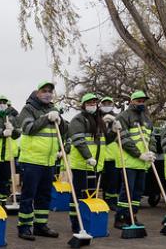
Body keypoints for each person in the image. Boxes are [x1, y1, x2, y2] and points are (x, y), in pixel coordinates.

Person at [15, 81, 64, 241]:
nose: (48, 94)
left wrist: (61, 121)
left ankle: (40, 225)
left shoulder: (53, 109)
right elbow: (28, 128)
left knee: (44, 195)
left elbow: (62, 131)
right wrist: (46, 118)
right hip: (32, 160)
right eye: (44, 91)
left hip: (49, 161)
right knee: (29, 194)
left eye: (50, 91)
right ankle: (24, 227)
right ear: (37, 93)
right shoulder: (28, 109)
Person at [66, 93, 116, 232]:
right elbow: (78, 140)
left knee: (92, 195)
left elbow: (107, 140)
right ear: (83, 105)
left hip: (96, 165)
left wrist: (113, 130)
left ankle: (88, 221)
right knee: (78, 195)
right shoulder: (78, 119)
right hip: (82, 164)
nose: (92, 105)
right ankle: (76, 223)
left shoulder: (99, 120)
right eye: (89, 103)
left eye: (94, 102)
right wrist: (88, 157)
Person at [112, 91, 155, 228]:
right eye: (138, 101)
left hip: (143, 163)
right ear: (131, 101)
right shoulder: (123, 116)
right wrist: (139, 154)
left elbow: (151, 137)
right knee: (127, 191)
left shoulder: (147, 118)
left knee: (138, 192)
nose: (141, 103)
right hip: (129, 161)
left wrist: (151, 152)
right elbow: (124, 139)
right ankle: (120, 217)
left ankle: (133, 216)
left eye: (143, 101)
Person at [0, 95, 21, 206]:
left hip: (8, 155)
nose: (2, 104)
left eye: (4, 102)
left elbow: (18, 134)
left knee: (5, 182)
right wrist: (2, 133)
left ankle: (2, 203)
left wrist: (12, 129)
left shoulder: (12, 117)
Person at [99, 97, 120, 210]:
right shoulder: (97, 117)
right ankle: (104, 200)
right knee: (103, 181)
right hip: (100, 154)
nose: (106, 105)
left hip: (113, 155)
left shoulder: (117, 117)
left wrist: (115, 123)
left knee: (114, 180)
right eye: (104, 103)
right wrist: (102, 123)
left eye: (109, 103)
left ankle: (112, 201)